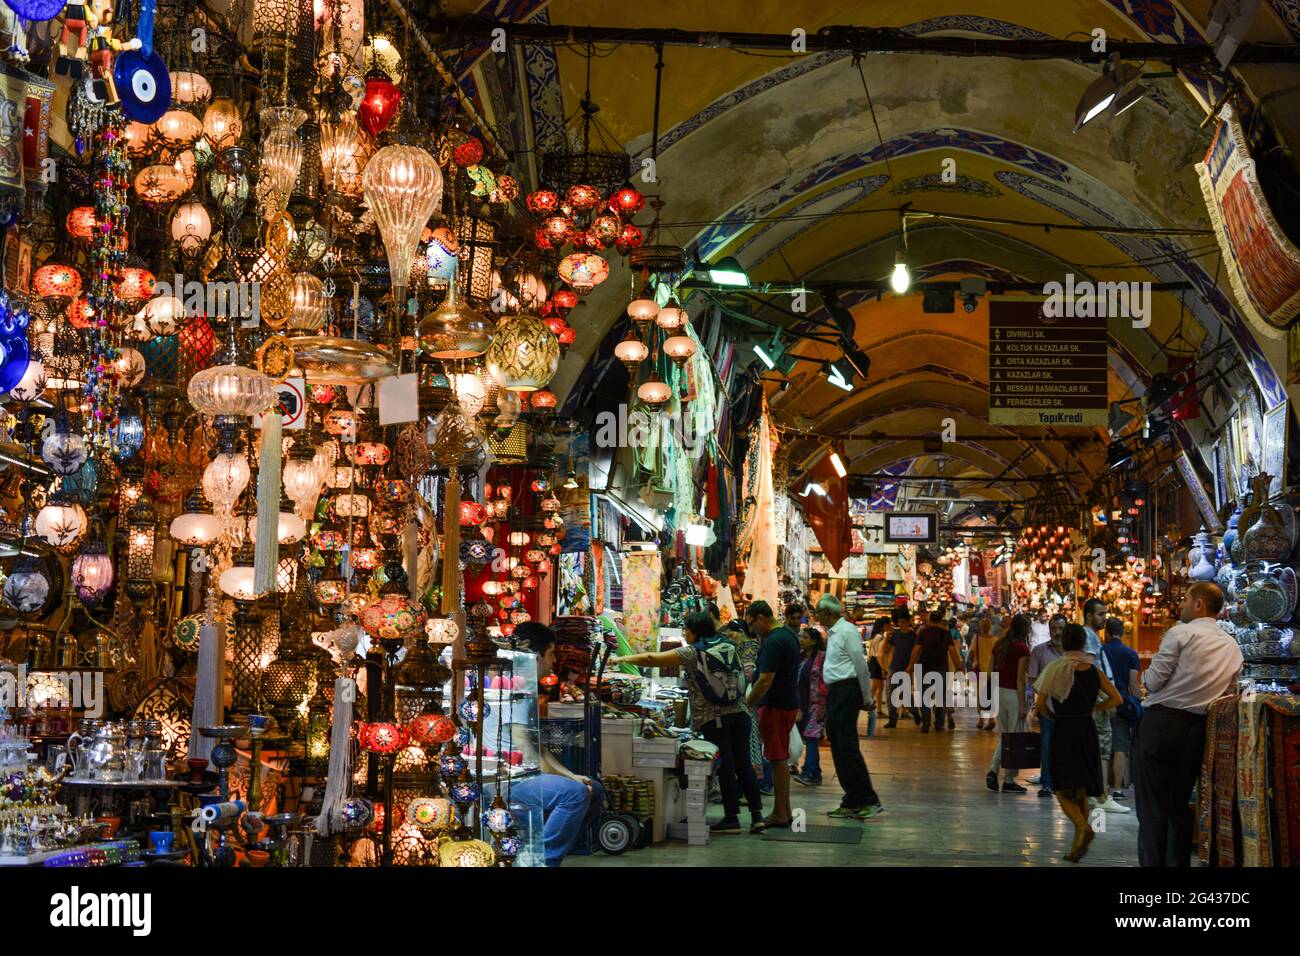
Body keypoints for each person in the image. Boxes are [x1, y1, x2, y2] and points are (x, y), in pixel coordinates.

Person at [611, 612, 766, 835]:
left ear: (694, 631)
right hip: (740, 712)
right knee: (744, 764)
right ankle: (757, 816)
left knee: (727, 765)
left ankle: (731, 818)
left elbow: (653, 659)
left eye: (686, 630)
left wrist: (622, 659)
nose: (685, 634)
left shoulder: (692, 653)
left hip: (715, 717)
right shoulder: (728, 645)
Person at [1135, 582, 1241, 867]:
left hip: (1161, 724)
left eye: (1185, 601)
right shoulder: (1231, 646)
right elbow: (1230, 694)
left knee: (1151, 805)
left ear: (1199, 605)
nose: (1181, 606)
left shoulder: (1181, 633)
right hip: (1198, 729)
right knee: (1178, 804)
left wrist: (1144, 682)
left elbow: (1154, 680)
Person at [510, 622, 608, 866]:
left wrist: (570, 774)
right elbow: (525, 747)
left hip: (526, 774)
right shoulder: (517, 687)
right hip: (509, 779)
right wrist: (569, 781)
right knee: (574, 794)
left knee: (592, 788)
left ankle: (548, 849)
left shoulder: (530, 688)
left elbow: (539, 746)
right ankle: (542, 862)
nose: (554, 661)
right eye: (552, 653)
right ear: (535, 654)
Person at [1033, 623, 1123, 862]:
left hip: (1064, 729)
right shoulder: (1093, 671)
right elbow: (1117, 698)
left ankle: (1083, 828)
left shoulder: (1056, 668)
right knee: (1081, 789)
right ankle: (1075, 849)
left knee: (1061, 788)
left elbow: (1040, 704)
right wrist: (1094, 707)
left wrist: (1054, 716)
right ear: (1084, 643)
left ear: (1064, 642)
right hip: (1087, 729)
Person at [815, 595, 884, 820]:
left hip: (847, 691)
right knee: (839, 745)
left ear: (828, 613)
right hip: (837, 692)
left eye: (819, 612)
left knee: (847, 746)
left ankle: (868, 799)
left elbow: (860, 666)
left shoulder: (847, 632)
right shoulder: (835, 633)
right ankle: (852, 799)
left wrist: (867, 697)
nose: (817, 616)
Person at [744, 600, 802, 828]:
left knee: (777, 759)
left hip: (776, 705)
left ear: (760, 618)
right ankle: (784, 811)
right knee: (780, 758)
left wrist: (748, 705)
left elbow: (764, 680)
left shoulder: (774, 641)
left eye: (751, 624)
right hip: (786, 702)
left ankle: (779, 813)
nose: (751, 630)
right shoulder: (787, 635)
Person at [1081, 599, 1127, 813]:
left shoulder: (1091, 637)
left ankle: (1093, 793)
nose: (1104, 618)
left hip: (1095, 700)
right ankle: (1101, 796)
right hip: (1098, 701)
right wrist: (1106, 697)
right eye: (1100, 614)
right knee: (1102, 749)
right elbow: (1091, 670)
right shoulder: (1089, 637)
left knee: (1097, 748)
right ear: (1089, 615)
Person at [985, 614, 1031, 792]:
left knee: (1005, 736)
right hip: (1013, 694)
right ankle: (1007, 779)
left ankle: (995, 771)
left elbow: (990, 672)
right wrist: (1023, 703)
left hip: (998, 692)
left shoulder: (999, 645)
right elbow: (1020, 679)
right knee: (1015, 737)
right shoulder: (1021, 649)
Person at [1101, 616, 1141, 800]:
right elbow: (1133, 683)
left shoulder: (1101, 651)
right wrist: (1137, 704)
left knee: (1103, 749)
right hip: (1123, 704)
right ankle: (1117, 789)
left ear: (1106, 633)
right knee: (1120, 747)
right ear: (1123, 633)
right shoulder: (1131, 653)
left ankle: (1102, 789)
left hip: (1103, 702)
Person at [1026, 613, 1066, 797]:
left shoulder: (1073, 652)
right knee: (1047, 744)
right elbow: (1033, 679)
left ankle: (1066, 781)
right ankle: (1047, 782)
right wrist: (1041, 699)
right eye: (1054, 628)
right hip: (1047, 707)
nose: (1057, 632)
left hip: (1070, 709)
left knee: (1068, 745)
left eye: (1060, 628)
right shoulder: (1039, 651)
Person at [724, 618, 766, 789]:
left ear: (742, 631)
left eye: (733, 634)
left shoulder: (749, 649)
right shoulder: (747, 648)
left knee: (750, 742)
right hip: (748, 700)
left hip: (749, 700)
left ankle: (752, 785)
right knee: (750, 742)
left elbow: (748, 675)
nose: (731, 638)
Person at [907, 608, 962, 732]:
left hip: (924, 667)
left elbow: (916, 650)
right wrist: (958, 667)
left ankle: (926, 723)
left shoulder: (923, 632)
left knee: (925, 696)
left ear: (930, 620)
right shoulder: (945, 633)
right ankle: (939, 723)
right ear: (940, 620)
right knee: (941, 697)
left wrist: (910, 666)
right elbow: (952, 651)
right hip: (940, 667)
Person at [793, 627, 827, 786]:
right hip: (802, 703)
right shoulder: (799, 658)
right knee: (810, 737)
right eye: (801, 637)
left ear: (814, 641)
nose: (801, 640)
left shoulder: (822, 657)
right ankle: (816, 774)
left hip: (818, 704)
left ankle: (807, 772)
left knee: (811, 737)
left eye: (805, 637)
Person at [881, 606, 919, 728]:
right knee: (890, 694)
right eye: (900, 622)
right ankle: (893, 720)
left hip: (906, 669)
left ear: (908, 622)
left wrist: (911, 666)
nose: (901, 624)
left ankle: (915, 712)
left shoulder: (913, 636)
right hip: (894, 667)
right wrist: (887, 637)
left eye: (903, 622)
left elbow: (917, 653)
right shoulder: (895, 635)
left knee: (905, 695)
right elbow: (886, 650)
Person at [969, 617, 997, 730]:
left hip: (979, 669)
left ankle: (981, 720)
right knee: (991, 695)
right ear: (990, 627)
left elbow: (971, 652)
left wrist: (975, 660)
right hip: (992, 670)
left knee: (980, 696)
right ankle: (991, 719)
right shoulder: (995, 640)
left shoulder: (977, 638)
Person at [867, 616, 890, 721]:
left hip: (874, 662)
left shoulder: (877, 636)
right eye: (888, 624)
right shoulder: (879, 637)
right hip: (877, 663)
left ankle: (879, 710)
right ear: (884, 625)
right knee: (875, 688)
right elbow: (877, 654)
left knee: (879, 688)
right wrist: (882, 668)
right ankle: (868, 707)